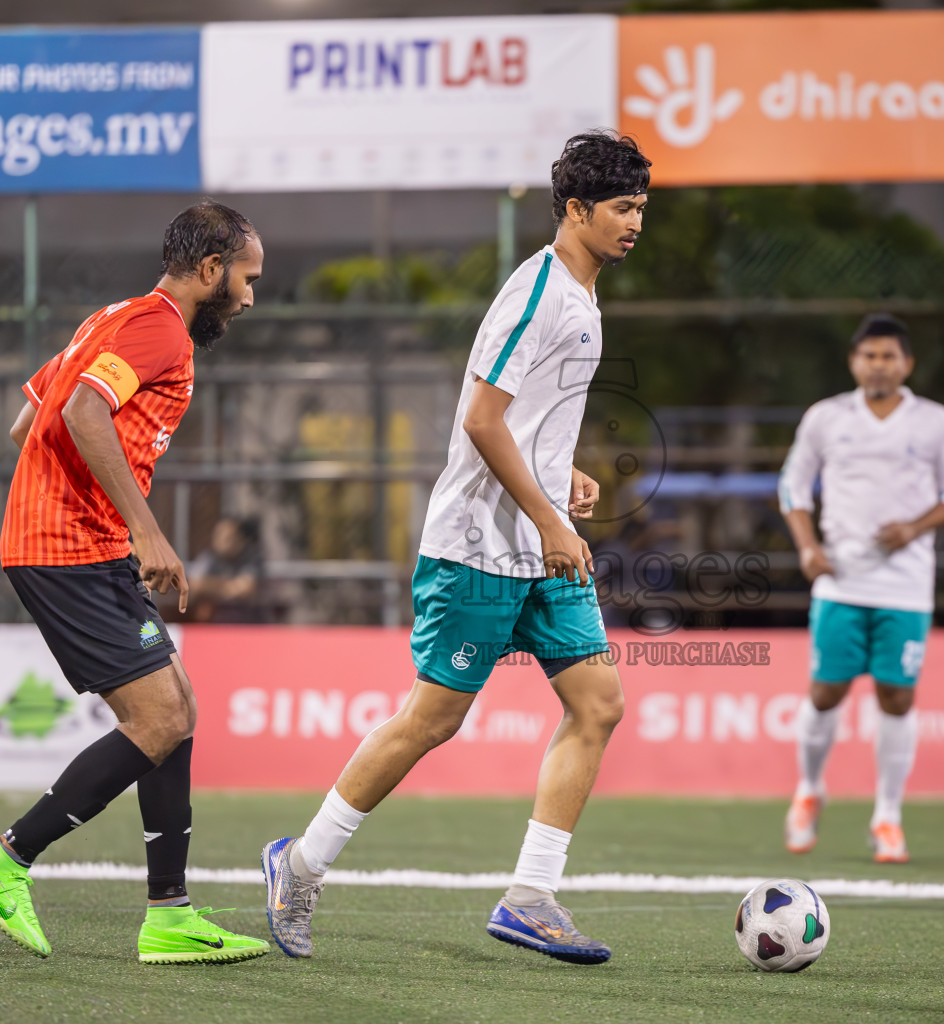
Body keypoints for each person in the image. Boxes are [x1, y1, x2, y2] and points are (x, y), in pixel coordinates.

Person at [261, 131, 648, 964]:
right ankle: (299, 865)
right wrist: (548, 517)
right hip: (479, 544)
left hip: (541, 542)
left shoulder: (582, 292)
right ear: (576, 210)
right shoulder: (540, 291)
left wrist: (561, 476)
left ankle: (530, 895)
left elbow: (521, 417)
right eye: (622, 208)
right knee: (433, 718)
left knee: (599, 704)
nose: (635, 223)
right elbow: (478, 417)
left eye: (642, 208)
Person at [0, 201, 270, 964]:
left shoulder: (114, 316)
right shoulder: (158, 327)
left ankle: (169, 913)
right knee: (160, 720)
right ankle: (5, 859)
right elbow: (87, 413)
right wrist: (146, 528)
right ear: (210, 270)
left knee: (178, 710)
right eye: (248, 279)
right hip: (68, 547)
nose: (252, 296)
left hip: (71, 541)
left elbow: (28, 425)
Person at [777, 314, 944, 864]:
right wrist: (807, 546)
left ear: (906, 364)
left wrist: (914, 527)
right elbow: (793, 484)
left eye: (889, 356)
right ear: (854, 361)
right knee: (826, 692)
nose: (878, 365)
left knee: (898, 696)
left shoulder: (933, 422)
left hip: (907, 586)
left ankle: (887, 816)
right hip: (840, 582)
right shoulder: (827, 418)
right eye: (869, 355)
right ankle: (809, 790)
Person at [186, 517, 263, 623]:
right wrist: (227, 587)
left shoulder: (250, 558)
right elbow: (194, 586)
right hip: (212, 625)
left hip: (246, 625)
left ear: (238, 538)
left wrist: (209, 586)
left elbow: (244, 589)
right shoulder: (208, 558)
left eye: (227, 537)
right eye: (218, 536)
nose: (221, 541)